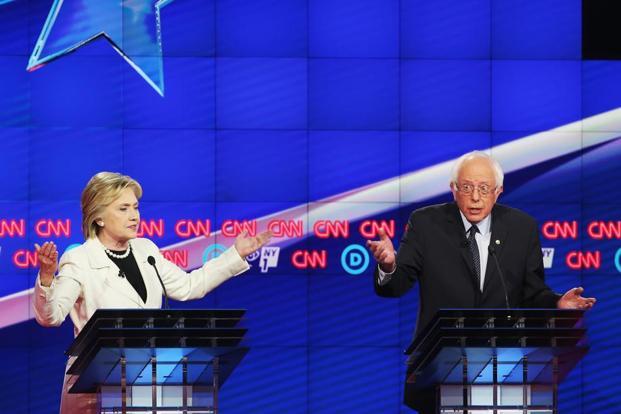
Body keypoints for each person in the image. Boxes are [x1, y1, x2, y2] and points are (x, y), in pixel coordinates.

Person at [366, 151, 596, 413]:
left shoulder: (523, 228)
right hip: (441, 369)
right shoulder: (425, 223)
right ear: (453, 189)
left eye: (484, 188)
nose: (475, 197)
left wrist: (557, 302)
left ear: (498, 191)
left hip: (503, 369)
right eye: (467, 187)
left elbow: (531, 293)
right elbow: (397, 285)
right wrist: (388, 265)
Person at [33, 172, 271, 414]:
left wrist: (236, 254)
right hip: (95, 390)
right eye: (123, 209)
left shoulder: (146, 250)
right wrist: (46, 278)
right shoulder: (80, 259)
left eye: (135, 207)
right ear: (99, 217)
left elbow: (190, 286)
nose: (134, 216)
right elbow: (51, 316)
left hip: (146, 382)